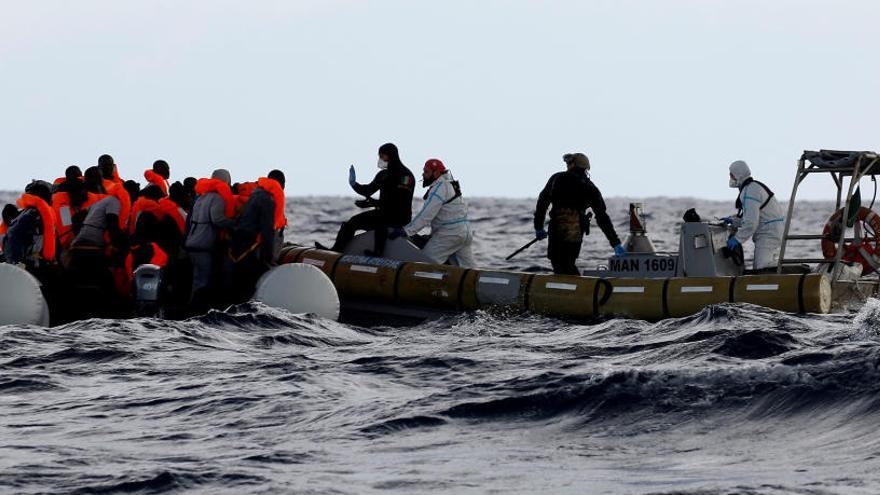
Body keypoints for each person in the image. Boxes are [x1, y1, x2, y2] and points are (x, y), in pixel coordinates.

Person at [534, 152, 625, 275]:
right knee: (569, 262)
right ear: (586, 168)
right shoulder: (591, 187)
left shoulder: (557, 178)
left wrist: (538, 227)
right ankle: (578, 288)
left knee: (558, 263)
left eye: (568, 163)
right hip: (576, 231)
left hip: (558, 228)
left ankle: (567, 290)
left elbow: (542, 203)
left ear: (572, 165)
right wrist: (616, 243)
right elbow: (602, 217)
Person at [329, 142, 415, 256]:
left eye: (381, 156)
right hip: (384, 213)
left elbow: (399, 202)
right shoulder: (384, 174)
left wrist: (372, 203)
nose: (380, 159)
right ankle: (335, 251)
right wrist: (354, 184)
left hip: (400, 217)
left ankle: (378, 253)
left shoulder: (405, 176)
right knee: (351, 223)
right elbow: (368, 190)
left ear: (388, 155)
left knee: (380, 222)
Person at [400, 158, 475, 267]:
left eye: (426, 172)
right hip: (465, 233)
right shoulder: (450, 185)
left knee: (424, 264)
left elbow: (426, 215)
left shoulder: (439, 188)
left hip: (450, 234)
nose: (423, 174)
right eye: (423, 171)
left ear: (436, 173)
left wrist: (406, 231)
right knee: (468, 270)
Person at [225, 170, 287, 302]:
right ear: (282, 185)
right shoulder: (268, 200)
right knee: (248, 287)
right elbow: (267, 230)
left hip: (241, 245)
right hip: (252, 249)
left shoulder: (256, 194)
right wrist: (268, 260)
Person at [185, 169, 236, 312]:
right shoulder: (218, 198)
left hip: (192, 243)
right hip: (203, 245)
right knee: (203, 283)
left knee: (196, 281)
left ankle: (190, 309)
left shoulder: (201, 196)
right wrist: (235, 223)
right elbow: (217, 219)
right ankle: (195, 313)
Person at [722, 160, 785, 270]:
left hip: (768, 233)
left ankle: (788, 275)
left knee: (761, 267)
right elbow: (752, 217)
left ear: (738, 175)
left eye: (731, 175)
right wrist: (734, 221)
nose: (730, 178)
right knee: (763, 264)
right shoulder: (751, 187)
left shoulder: (751, 191)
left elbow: (751, 223)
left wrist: (736, 239)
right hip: (770, 230)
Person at [3, 181, 57, 269]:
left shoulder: (25, 213)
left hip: (33, 264)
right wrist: (16, 262)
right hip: (31, 265)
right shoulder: (33, 215)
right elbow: (15, 236)